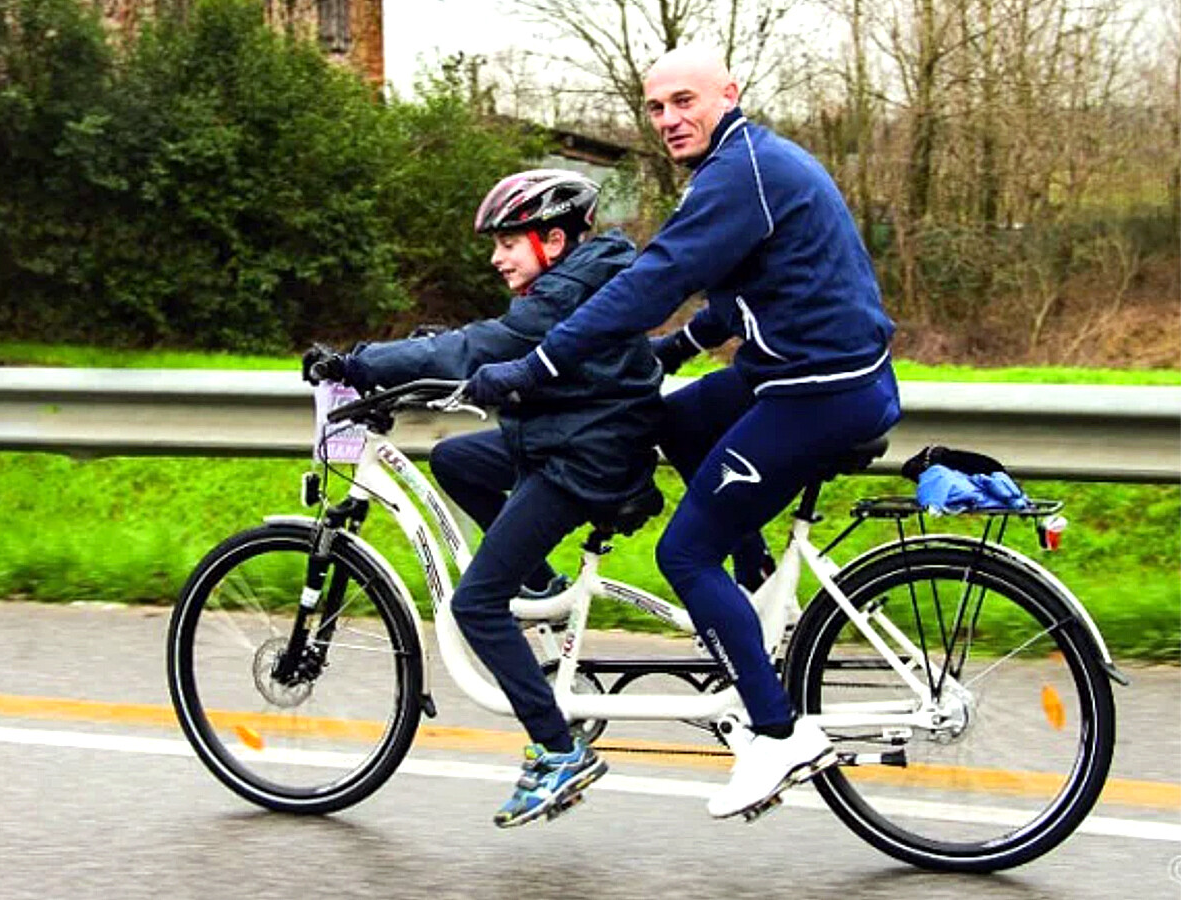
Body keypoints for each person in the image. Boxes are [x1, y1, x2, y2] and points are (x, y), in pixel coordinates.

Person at [465, 47, 902, 820]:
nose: (668, 119)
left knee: (683, 551)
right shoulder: (751, 165)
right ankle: (758, 582)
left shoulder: (741, 174)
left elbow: (652, 281)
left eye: (683, 101)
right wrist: (677, 351)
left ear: (727, 94)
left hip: (817, 393)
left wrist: (538, 362)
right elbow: (746, 293)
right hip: (812, 373)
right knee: (672, 420)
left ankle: (775, 736)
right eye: (656, 107)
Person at [302, 169, 663, 827]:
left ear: (553, 239)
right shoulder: (574, 280)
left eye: (507, 242)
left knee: (475, 604)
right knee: (456, 458)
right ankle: (545, 591)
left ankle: (557, 752)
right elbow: (487, 343)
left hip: (583, 457)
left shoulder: (568, 292)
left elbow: (487, 344)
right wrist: (423, 358)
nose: (497, 257)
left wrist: (360, 365)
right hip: (568, 437)